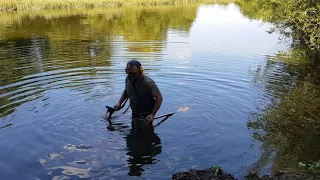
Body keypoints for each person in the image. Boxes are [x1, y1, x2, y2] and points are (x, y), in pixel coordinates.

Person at [114, 60, 163, 132]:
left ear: (140, 71)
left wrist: (152, 114)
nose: (131, 76)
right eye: (129, 73)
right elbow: (126, 90)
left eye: (134, 73)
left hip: (146, 114)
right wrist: (119, 103)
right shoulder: (128, 78)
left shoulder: (148, 83)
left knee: (145, 134)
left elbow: (159, 98)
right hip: (135, 111)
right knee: (135, 131)